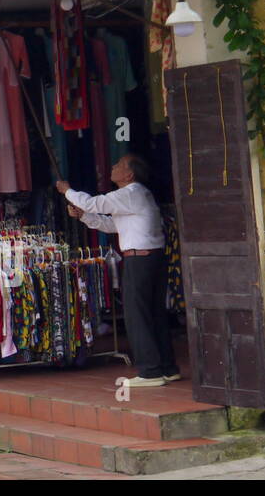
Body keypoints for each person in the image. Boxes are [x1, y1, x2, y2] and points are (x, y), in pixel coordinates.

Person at [57, 153, 179, 387]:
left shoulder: (130, 193)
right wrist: (85, 217)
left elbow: (95, 203)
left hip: (140, 260)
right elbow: (114, 225)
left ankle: (150, 371)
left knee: (137, 316)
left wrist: (68, 191)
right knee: (154, 313)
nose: (113, 167)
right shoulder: (136, 196)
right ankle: (167, 367)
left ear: (129, 174)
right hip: (150, 258)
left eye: (119, 165)